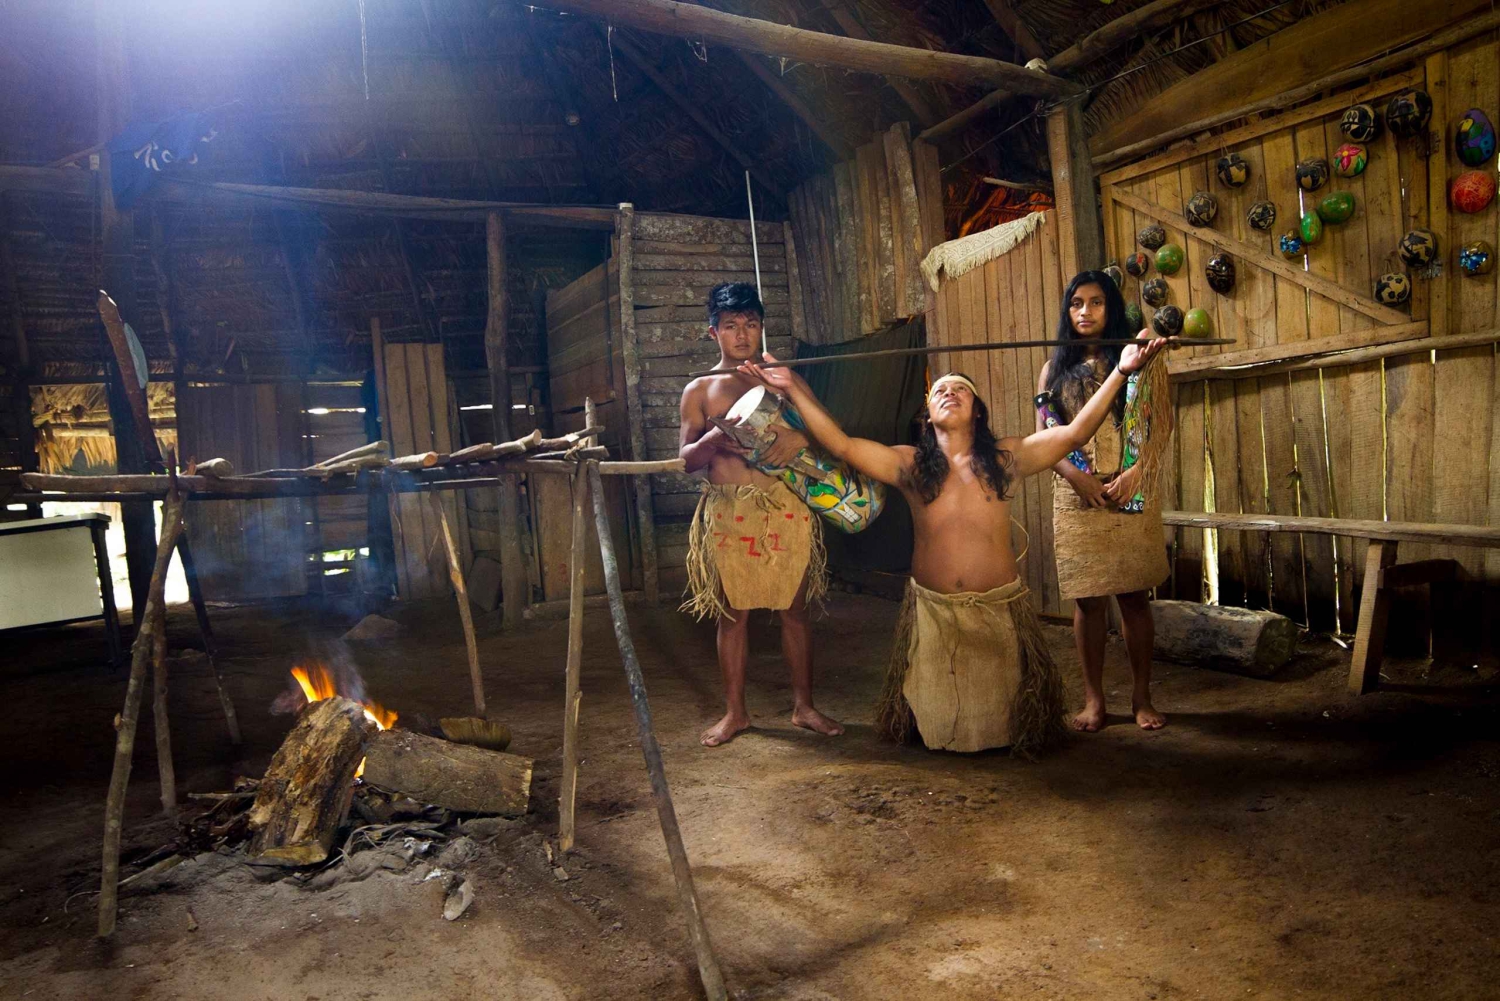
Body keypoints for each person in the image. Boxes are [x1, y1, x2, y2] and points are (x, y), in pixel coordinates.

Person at [739, 331, 1166, 755]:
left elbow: (1073, 435)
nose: (949, 393)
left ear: (977, 412)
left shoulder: (1006, 459)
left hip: (998, 611)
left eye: (961, 389)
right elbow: (842, 445)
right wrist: (793, 386)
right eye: (940, 390)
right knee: (937, 727)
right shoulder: (909, 464)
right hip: (933, 614)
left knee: (1006, 728)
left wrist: (1123, 372)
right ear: (927, 414)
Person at [677, 282, 844, 747]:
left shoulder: (780, 377)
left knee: (795, 610)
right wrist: (713, 439)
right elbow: (686, 460)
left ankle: (804, 707)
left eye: (751, 323)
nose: (742, 334)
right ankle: (736, 713)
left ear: (761, 327)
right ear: (714, 333)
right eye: (731, 326)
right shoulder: (701, 388)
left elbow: (828, 430)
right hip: (732, 513)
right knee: (733, 613)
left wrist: (803, 439)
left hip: (786, 505)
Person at [1035, 271, 1171, 733]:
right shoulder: (1053, 371)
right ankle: (1094, 699)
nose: (1085, 312)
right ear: (1067, 311)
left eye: (1096, 303)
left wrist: (1137, 471)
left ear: (1110, 308)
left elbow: (1161, 427)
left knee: (1134, 597)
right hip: (1078, 496)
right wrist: (1076, 478)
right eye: (1077, 303)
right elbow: (1045, 436)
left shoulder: (1142, 359)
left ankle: (1141, 695)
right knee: (1089, 602)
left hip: (1131, 490)